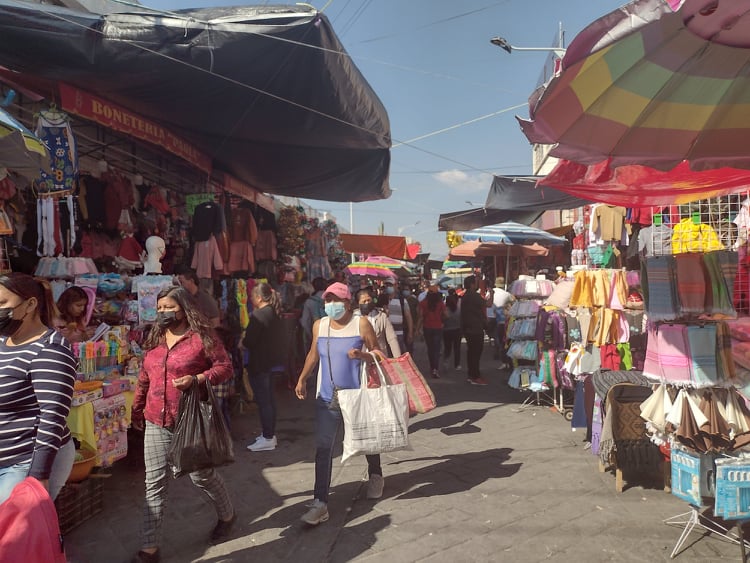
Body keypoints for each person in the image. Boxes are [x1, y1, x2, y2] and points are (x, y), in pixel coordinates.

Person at [130, 286, 235, 563]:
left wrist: (197, 380)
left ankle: (227, 515)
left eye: (169, 307)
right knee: (154, 485)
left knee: (201, 476)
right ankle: (149, 548)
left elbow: (225, 367)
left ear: (184, 308)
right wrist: (137, 409)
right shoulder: (154, 338)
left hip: (191, 419)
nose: (164, 312)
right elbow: (144, 376)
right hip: (156, 419)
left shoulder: (201, 338)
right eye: (160, 307)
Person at [294, 282, 382, 526]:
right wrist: (302, 378)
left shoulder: (360, 323)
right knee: (324, 448)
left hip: (356, 395)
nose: (331, 305)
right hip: (327, 397)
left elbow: (379, 354)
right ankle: (320, 503)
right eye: (327, 301)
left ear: (348, 302)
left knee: (365, 439)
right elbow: (313, 354)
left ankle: (375, 474)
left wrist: (363, 355)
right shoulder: (319, 325)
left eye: (336, 300)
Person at [0, 273, 77, 504]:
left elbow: (52, 416)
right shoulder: (3, 341)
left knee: (14, 531)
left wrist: (39, 474)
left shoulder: (50, 350)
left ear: (31, 304)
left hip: (24, 461)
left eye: (2, 303)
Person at [243, 283, 285, 452]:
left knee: (264, 401)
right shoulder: (273, 313)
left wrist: (242, 341)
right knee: (268, 400)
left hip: (259, 364)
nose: (251, 299)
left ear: (259, 297)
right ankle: (269, 434)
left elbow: (249, 341)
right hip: (268, 363)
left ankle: (268, 437)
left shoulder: (259, 315)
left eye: (253, 296)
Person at [460, 275, 489, 385]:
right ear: (472, 284)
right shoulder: (474, 295)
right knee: (476, 352)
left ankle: (472, 374)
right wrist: (492, 294)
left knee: (471, 352)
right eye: (476, 282)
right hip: (475, 328)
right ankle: (475, 376)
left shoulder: (465, 296)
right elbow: (488, 304)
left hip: (468, 328)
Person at [356, 288, 400, 357]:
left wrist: (398, 358)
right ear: (358, 303)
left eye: (368, 300)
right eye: (364, 301)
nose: (367, 303)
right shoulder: (354, 318)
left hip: (380, 359)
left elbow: (392, 339)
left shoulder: (381, 316)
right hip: (360, 359)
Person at [419, 285, 446, 378]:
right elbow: (446, 315)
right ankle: (435, 369)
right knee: (437, 349)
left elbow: (421, 316)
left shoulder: (423, 303)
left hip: (427, 328)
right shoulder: (440, 303)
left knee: (430, 349)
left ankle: (432, 368)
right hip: (438, 327)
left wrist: (417, 328)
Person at [383, 280, 413, 355]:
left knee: (398, 356)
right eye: (387, 285)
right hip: (384, 335)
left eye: (391, 285)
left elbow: (408, 317)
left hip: (398, 334)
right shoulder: (382, 299)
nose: (388, 287)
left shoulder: (402, 300)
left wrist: (410, 333)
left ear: (396, 286)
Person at [300, 277, 328, 353]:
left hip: (315, 337)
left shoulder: (309, 302)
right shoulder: (331, 299)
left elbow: (305, 322)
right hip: (329, 336)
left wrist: (311, 336)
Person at [492, 277, 514, 369]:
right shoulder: (507, 295)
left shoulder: (492, 292)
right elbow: (513, 301)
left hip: (495, 320)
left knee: (499, 340)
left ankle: (503, 361)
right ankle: (507, 361)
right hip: (506, 322)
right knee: (505, 342)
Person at [442, 291, 461, 371]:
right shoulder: (459, 310)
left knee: (447, 347)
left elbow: (442, 320)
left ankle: (446, 361)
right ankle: (457, 365)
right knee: (457, 348)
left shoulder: (445, 310)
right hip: (457, 330)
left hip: (446, 331)